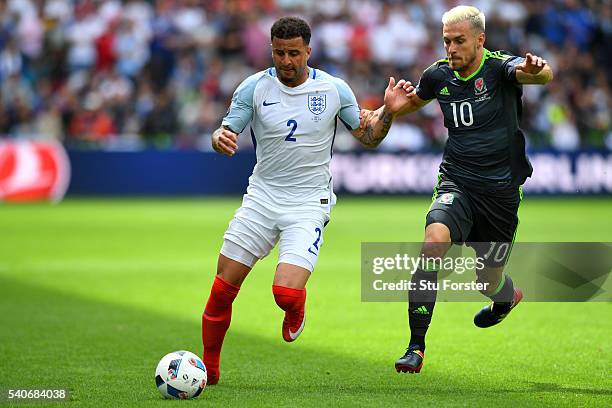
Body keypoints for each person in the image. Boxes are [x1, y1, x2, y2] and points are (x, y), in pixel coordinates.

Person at [201, 16, 402, 385]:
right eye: (279, 53)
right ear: (271, 51)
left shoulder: (334, 90)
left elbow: (369, 137)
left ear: (309, 51)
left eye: (294, 53)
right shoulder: (253, 88)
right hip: (261, 198)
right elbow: (226, 129)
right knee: (221, 290)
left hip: (309, 202)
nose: (287, 61)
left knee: (285, 292)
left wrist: (387, 111)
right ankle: (209, 372)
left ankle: (296, 309)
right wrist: (220, 137)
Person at [360, 5, 553, 374]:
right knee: (433, 244)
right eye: (446, 41)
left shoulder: (499, 68)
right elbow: (413, 100)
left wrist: (538, 70)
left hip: (499, 194)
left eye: (459, 41)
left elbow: (539, 74)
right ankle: (416, 347)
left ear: (480, 39)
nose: (451, 48)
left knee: (487, 280)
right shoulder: (438, 75)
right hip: (457, 182)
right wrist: (393, 109)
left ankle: (506, 298)